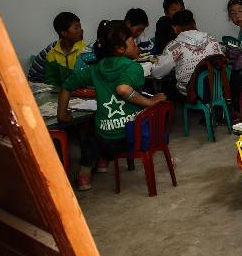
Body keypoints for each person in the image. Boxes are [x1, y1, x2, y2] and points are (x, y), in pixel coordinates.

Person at [57, 22, 166, 190]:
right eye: (133, 42)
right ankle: (102, 161)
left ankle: (85, 176)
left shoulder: (95, 68)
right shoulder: (133, 67)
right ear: (120, 49)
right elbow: (123, 89)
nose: (137, 45)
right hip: (131, 137)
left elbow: (66, 85)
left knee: (92, 132)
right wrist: (150, 101)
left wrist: (62, 114)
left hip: (105, 138)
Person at [151, 9, 224, 97]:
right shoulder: (212, 40)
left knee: (166, 86)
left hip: (191, 93)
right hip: (216, 89)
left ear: (175, 28)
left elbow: (157, 73)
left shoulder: (175, 46)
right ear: (194, 23)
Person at [45, 11, 88, 87]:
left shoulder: (86, 51)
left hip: (83, 94)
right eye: (76, 28)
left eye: (80, 27)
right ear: (64, 33)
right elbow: (51, 81)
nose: (81, 30)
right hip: (62, 94)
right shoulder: (51, 55)